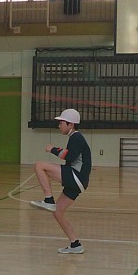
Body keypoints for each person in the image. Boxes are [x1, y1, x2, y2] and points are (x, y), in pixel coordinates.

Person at [30, 109, 91, 254]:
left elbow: (69, 157)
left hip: (76, 177)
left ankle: (48, 199)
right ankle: (75, 244)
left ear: (71, 124)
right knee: (57, 213)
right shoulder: (74, 137)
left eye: (61, 123)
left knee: (39, 165)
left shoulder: (76, 137)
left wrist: (52, 149)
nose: (59, 126)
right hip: (79, 181)